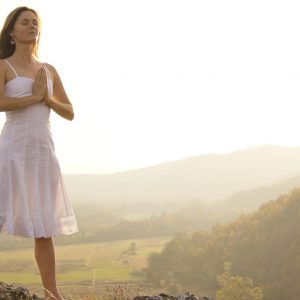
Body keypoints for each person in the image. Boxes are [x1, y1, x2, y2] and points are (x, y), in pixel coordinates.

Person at [0, 6, 78, 300]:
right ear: (12, 31)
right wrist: (33, 97)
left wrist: (48, 99)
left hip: (43, 152)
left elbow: (69, 111)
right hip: (12, 150)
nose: (32, 26)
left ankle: (52, 294)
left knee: (44, 226)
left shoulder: (48, 70)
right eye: (25, 22)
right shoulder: (4, 65)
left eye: (35, 22)